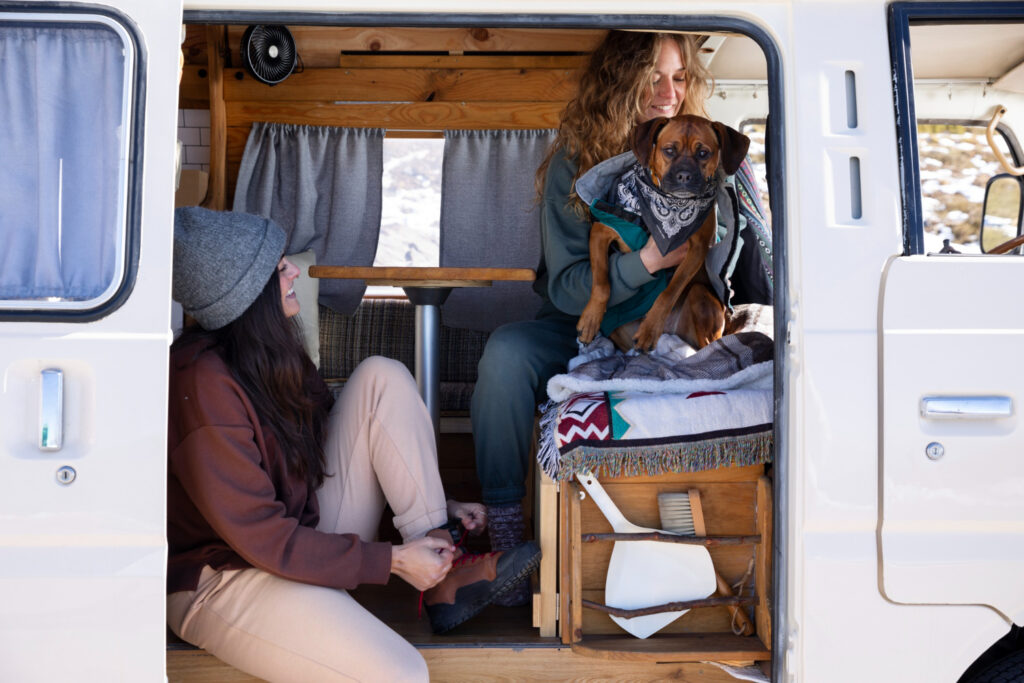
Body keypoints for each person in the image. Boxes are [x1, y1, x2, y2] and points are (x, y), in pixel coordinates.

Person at [166, 207, 541, 682]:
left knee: (381, 375)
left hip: (296, 537)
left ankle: (443, 571)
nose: (295, 272)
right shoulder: (201, 384)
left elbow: (327, 449)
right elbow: (260, 534)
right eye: (280, 267)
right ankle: (422, 569)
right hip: (225, 577)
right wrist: (391, 561)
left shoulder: (268, 352)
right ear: (245, 293)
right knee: (400, 673)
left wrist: (434, 503)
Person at [471, 31, 772, 605]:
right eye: (654, 77)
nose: (668, 92)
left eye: (680, 78)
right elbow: (565, 287)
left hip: (677, 319)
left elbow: (741, 260)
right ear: (621, 80)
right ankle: (507, 531)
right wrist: (648, 261)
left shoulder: (706, 151)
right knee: (506, 353)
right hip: (583, 316)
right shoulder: (573, 164)